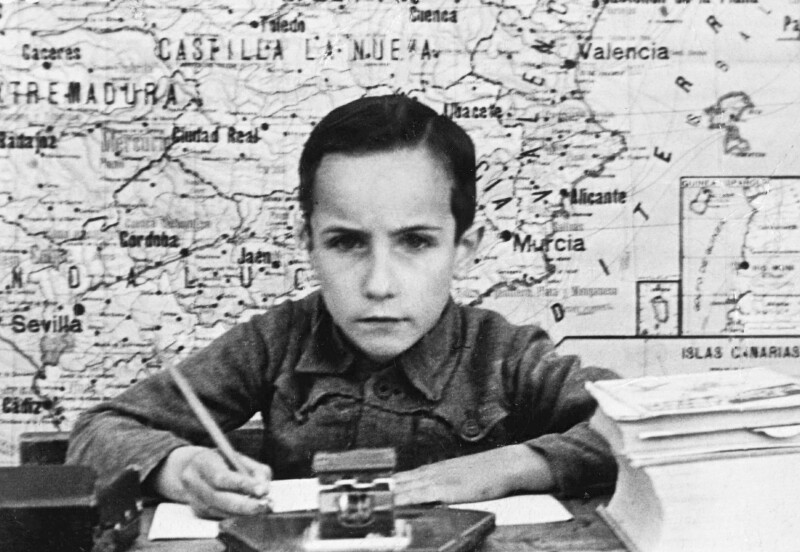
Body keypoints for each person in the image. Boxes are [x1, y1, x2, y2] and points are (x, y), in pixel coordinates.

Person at [66, 94, 617, 519]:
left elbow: (635, 426)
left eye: (416, 242)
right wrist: (181, 468)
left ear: (464, 248)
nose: (379, 284)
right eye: (346, 242)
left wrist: (511, 466)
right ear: (308, 243)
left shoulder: (506, 355)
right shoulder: (273, 343)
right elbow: (100, 430)